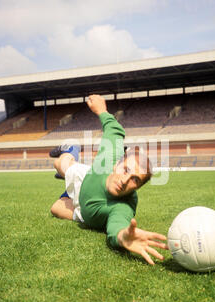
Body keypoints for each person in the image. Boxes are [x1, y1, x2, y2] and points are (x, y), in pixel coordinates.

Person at [50, 94, 168, 265]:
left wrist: (123, 238)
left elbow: (118, 227)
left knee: (55, 209)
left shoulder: (123, 206)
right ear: (116, 165)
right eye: (125, 169)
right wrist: (102, 110)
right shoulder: (110, 157)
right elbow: (115, 130)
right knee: (58, 162)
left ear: (138, 188)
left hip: (84, 209)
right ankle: (72, 149)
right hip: (88, 178)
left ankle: (68, 190)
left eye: (135, 180)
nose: (126, 179)